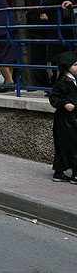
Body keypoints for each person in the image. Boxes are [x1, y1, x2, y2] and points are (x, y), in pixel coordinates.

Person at [48, 50, 77, 183]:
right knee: (70, 145)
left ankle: (59, 171)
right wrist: (64, 104)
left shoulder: (74, 80)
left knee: (67, 145)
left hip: (73, 119)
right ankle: (75, 173)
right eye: (75, 65)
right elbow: (54, 98)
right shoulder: (62, 82)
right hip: (65, 120)